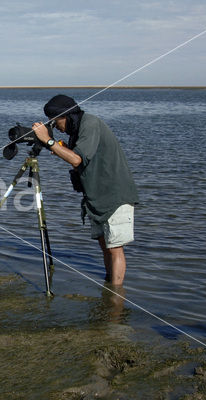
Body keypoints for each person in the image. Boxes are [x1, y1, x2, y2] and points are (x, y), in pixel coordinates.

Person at [32, 94, 138, 286]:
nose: (55, 127)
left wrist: (48, 141)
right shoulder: (77, 130)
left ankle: (116, 299)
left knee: (114, 248)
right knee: (105, 245)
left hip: (115, 194)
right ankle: (109, 287)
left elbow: (76, 159)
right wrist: (50, 144)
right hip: (96, 196)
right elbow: (75, 158)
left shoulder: (90, 124)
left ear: (67, 116)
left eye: (55, 122)